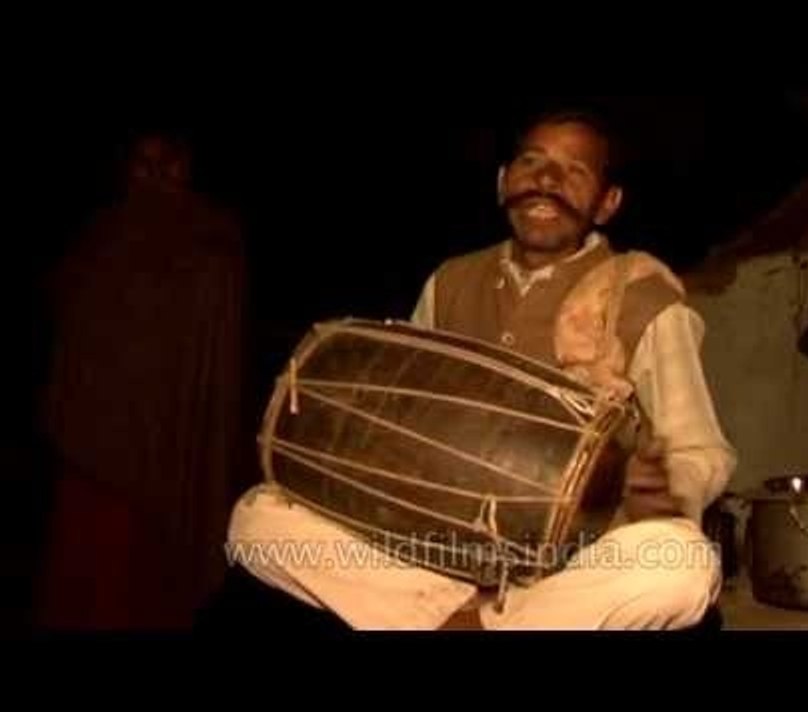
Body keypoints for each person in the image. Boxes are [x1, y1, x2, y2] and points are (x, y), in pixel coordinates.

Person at [216, 108, 736, 631]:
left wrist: (666, 489)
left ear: (607, 203)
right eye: (532, 162)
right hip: (434, 550)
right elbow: (406, 415)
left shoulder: (644, 299)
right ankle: (464, 618)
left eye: (575, 171)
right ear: (502, 183)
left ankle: (473, 623)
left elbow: (700, 449)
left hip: (571, 560)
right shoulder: (451, 281)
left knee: (683, 564)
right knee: (258, 518)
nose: (548, 180)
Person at [35, 133, 249, 629]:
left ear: (186, 165)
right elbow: (72, 338)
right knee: (91, 580)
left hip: (170, 466)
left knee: (146, 585)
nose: (155, 175)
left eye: (167, 162)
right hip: (94, 461)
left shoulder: (210, 243)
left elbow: (212, 372)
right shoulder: (105, 234)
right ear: (127, 166)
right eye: (142, 162)